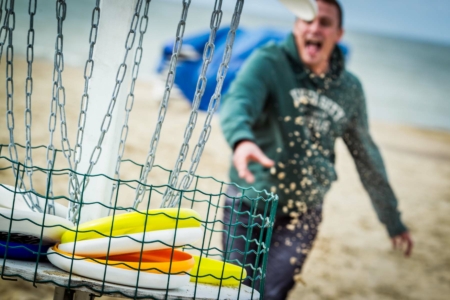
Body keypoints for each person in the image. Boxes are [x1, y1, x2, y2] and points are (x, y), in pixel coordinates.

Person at [219, 0, 414, 299]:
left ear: (338, 33)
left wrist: (392, 219)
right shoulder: (269, 62)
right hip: (250, 199)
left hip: (303, 212)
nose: (314, 27)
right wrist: (242, 140)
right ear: (296, 25)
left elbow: (367, 156)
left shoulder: (349, 88)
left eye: (324, 22)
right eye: (306, 20)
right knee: (235, 292)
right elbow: (238, 101)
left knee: (271, 294)